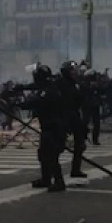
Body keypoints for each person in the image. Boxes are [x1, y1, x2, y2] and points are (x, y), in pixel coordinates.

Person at [20, 64, 66, 192]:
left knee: (52, 155)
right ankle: (46, 179)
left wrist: (20, 104)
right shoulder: (50, 87)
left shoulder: (48, 91)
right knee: (43, 154)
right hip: (49, 127)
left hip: (54, 127)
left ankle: (59, 182)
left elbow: (37, 102)